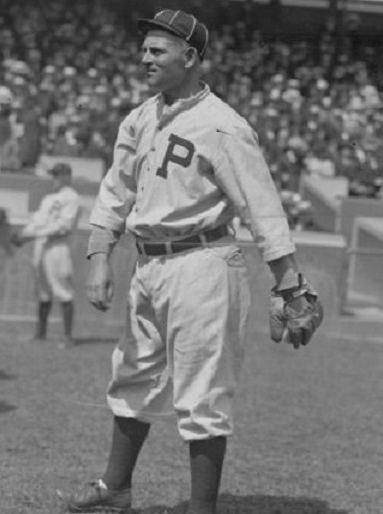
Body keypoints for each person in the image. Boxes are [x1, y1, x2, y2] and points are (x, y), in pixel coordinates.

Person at [58, 10, 322, 514]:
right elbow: (115, 192)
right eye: (144, 49)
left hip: (203, 261)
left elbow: (260, 205)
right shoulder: (139, 118)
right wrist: (98, 255)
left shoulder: (223, 125)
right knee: (132, 374)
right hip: (148, 263)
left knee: (202, 393)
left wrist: (288, 281)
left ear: (191, 57)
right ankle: (116, 487)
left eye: (157, 50)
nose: (145, 58)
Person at [11, 163, 81, 348]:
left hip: (58, 246)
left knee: (63, 289)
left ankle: (67, 336)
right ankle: (40, 333)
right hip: (41, 244)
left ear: (67, 176)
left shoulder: (72, 197)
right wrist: (23, 234)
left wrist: (31, 235)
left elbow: (64, 227)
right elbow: (37, 221)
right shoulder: (49, 198)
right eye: (54, 175)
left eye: (59, 175)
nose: (55, 179)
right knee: (43, 291)